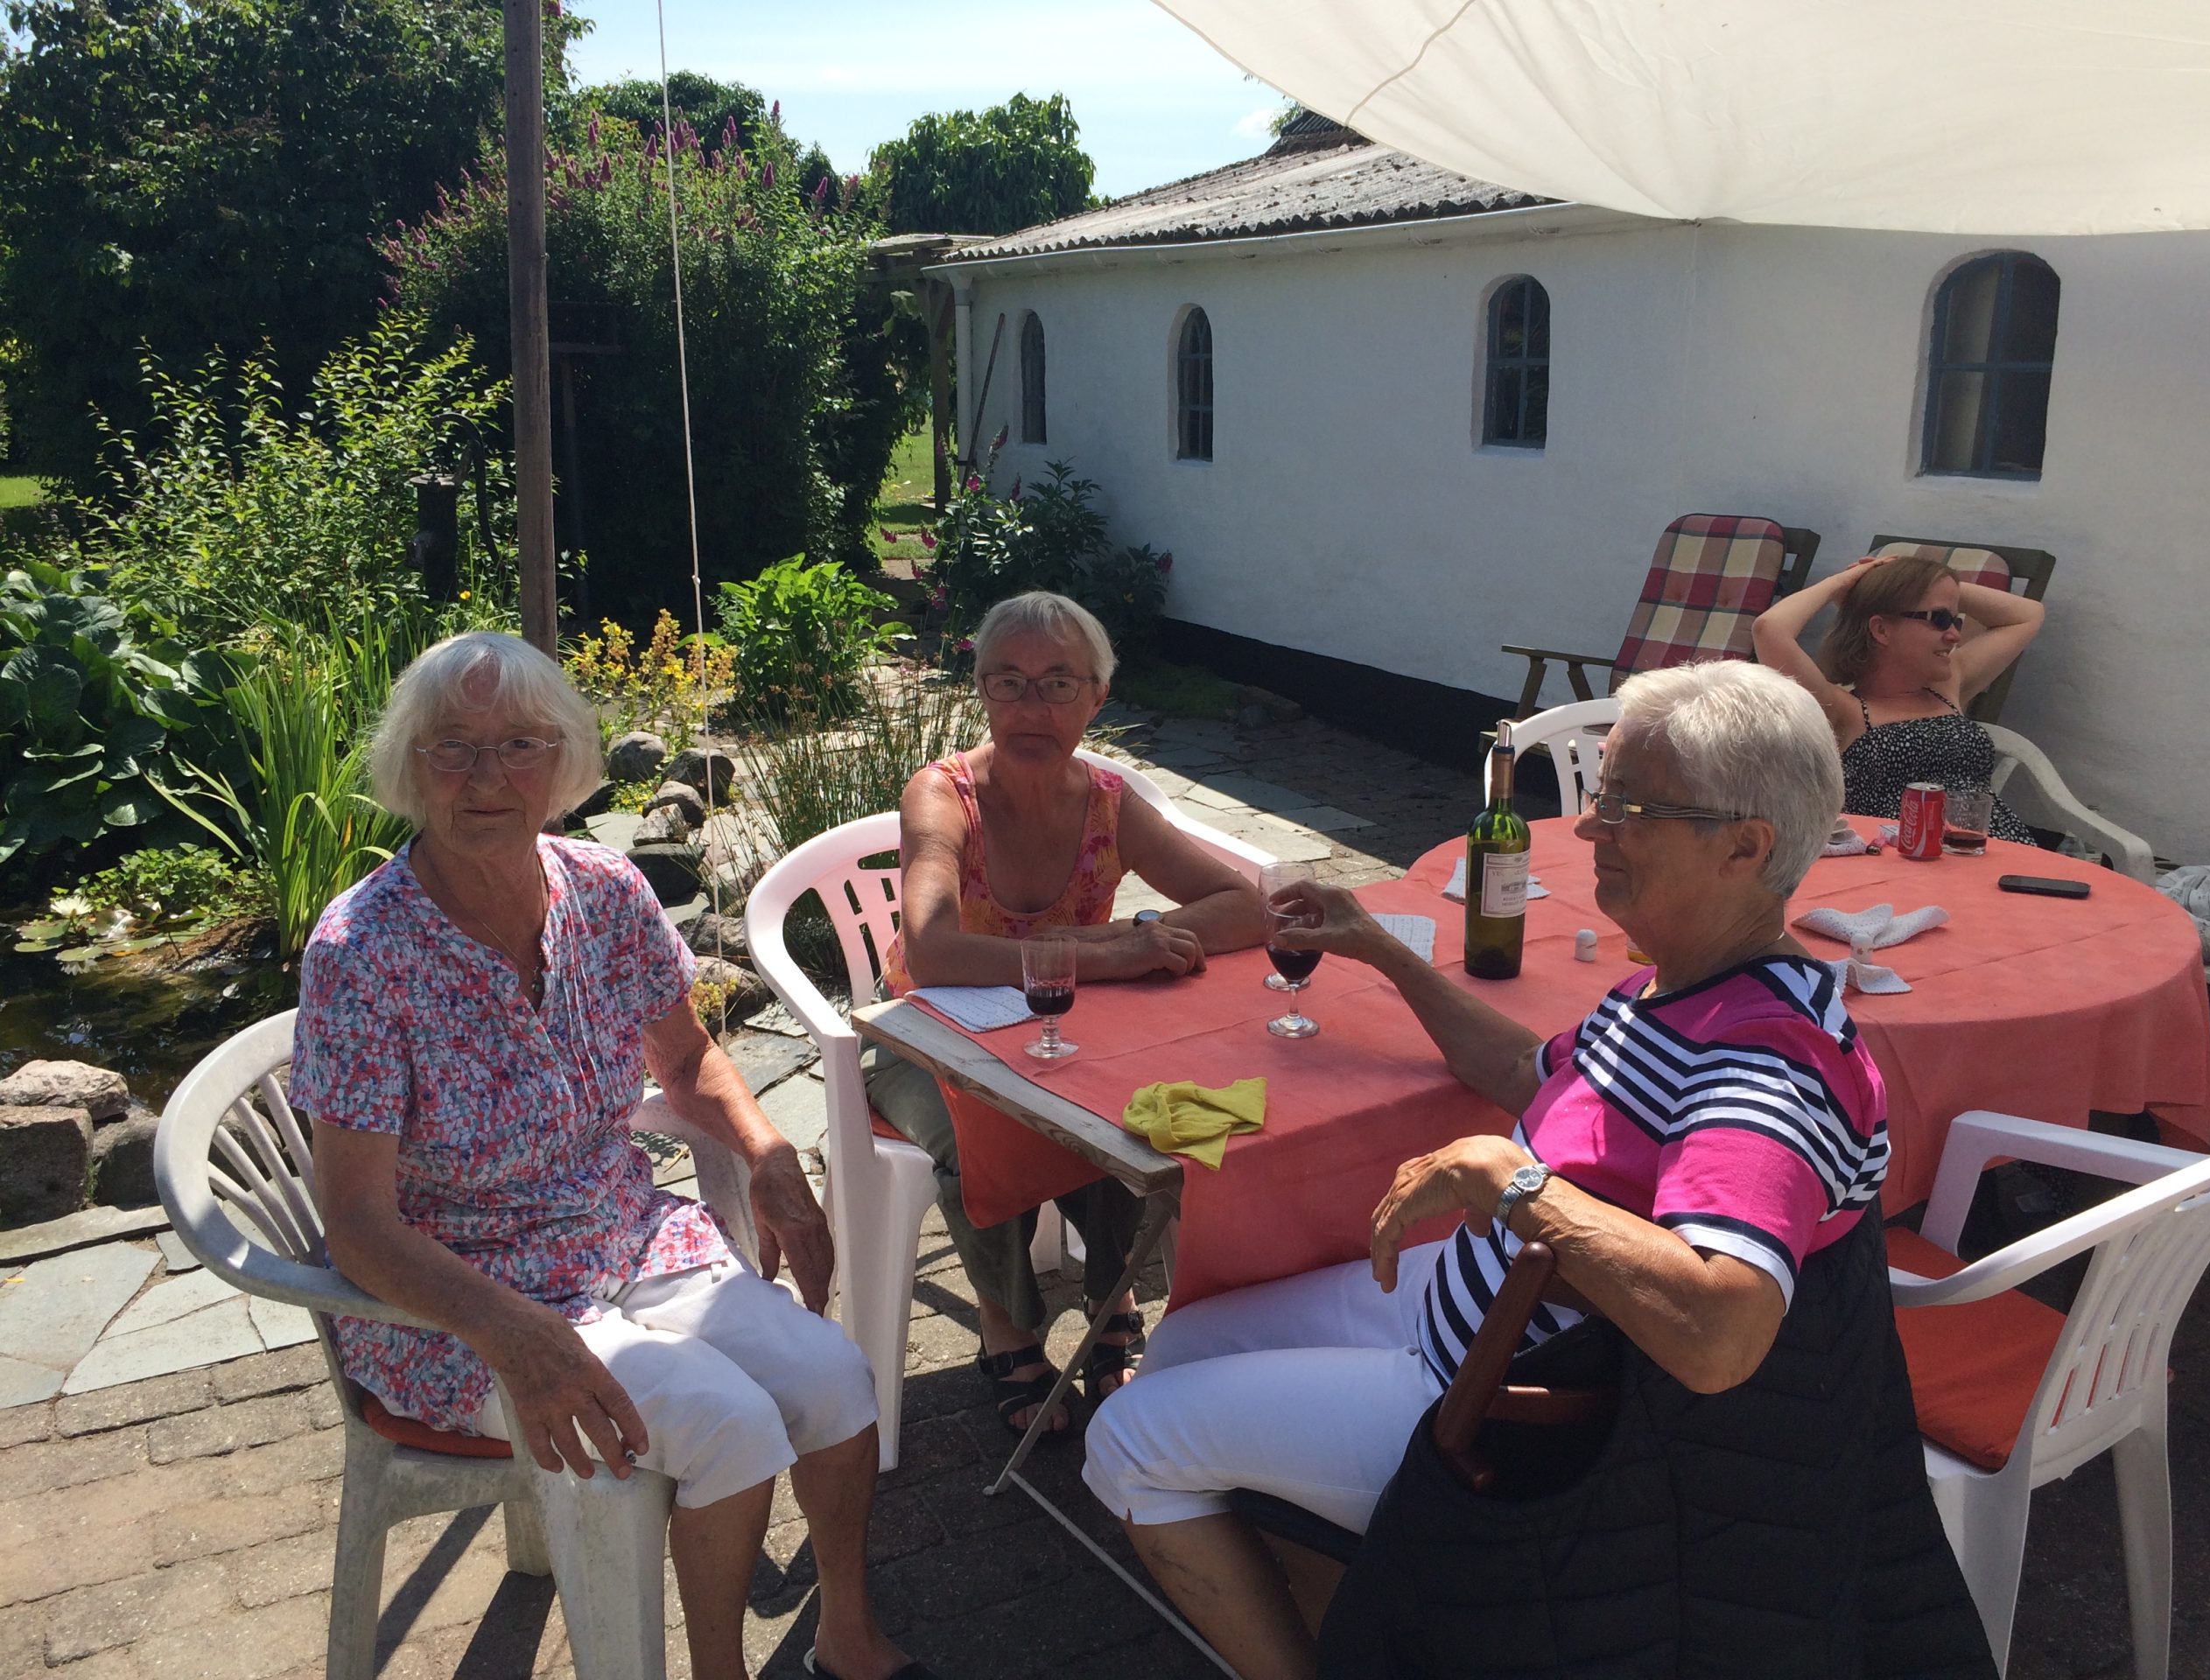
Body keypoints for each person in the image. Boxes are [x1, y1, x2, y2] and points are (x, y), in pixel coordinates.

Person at [1082, 662, 1976, 1680]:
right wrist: (1382, 950)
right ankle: (1362, 1606)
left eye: (1630, 808)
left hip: (1505, 1405)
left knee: (1126, 1441)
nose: (1594, 830)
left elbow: (1724, 1332)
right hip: (1460, 1307)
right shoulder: (1677, 987)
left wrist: (1506, 1182)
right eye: (1604, 799)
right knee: (1187, 1338)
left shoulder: (1758, 1066)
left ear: (1744, 846)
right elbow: (1521, 1070)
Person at [295, 632, 934, 1680]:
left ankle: (845, 1631)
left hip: (621, 1235)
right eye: (453, 749)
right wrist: (516, 1333)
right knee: (729, 1424)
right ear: (413, 767)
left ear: (565, 761)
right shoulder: (361, 953)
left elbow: (686, 1060)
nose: (489, 777)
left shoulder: (603, 887)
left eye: (519, 746)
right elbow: (358, 1226)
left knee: (832, 1378)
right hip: (459, 1302)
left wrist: (766, 1151)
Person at [870, 591, 1263, 1432]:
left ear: (1097, 699)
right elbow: (934, 949)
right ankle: (1006, 1332)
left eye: (1057, 685)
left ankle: (1115, 1303)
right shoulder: (943, 795)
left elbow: (1244, 906)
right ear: (979, 690)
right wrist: (1109, 953)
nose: (1029, 706)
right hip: (927, 1032)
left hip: (1059, 1028)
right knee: (977, 1129)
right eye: (1007, 681)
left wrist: (1146, 929)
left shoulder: (1110, 803)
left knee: (1134, 1116)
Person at [1752, 551, 2045, 841]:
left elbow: (2028, 615)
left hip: (1995, 850)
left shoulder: (1947, 688)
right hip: (1901, 862)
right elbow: (1769, 629)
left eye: (1956, 620)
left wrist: (1930, 584)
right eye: (1940, 619)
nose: (1955, 635)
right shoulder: (1840, 710)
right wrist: (1845, 583)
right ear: (1881, 630)